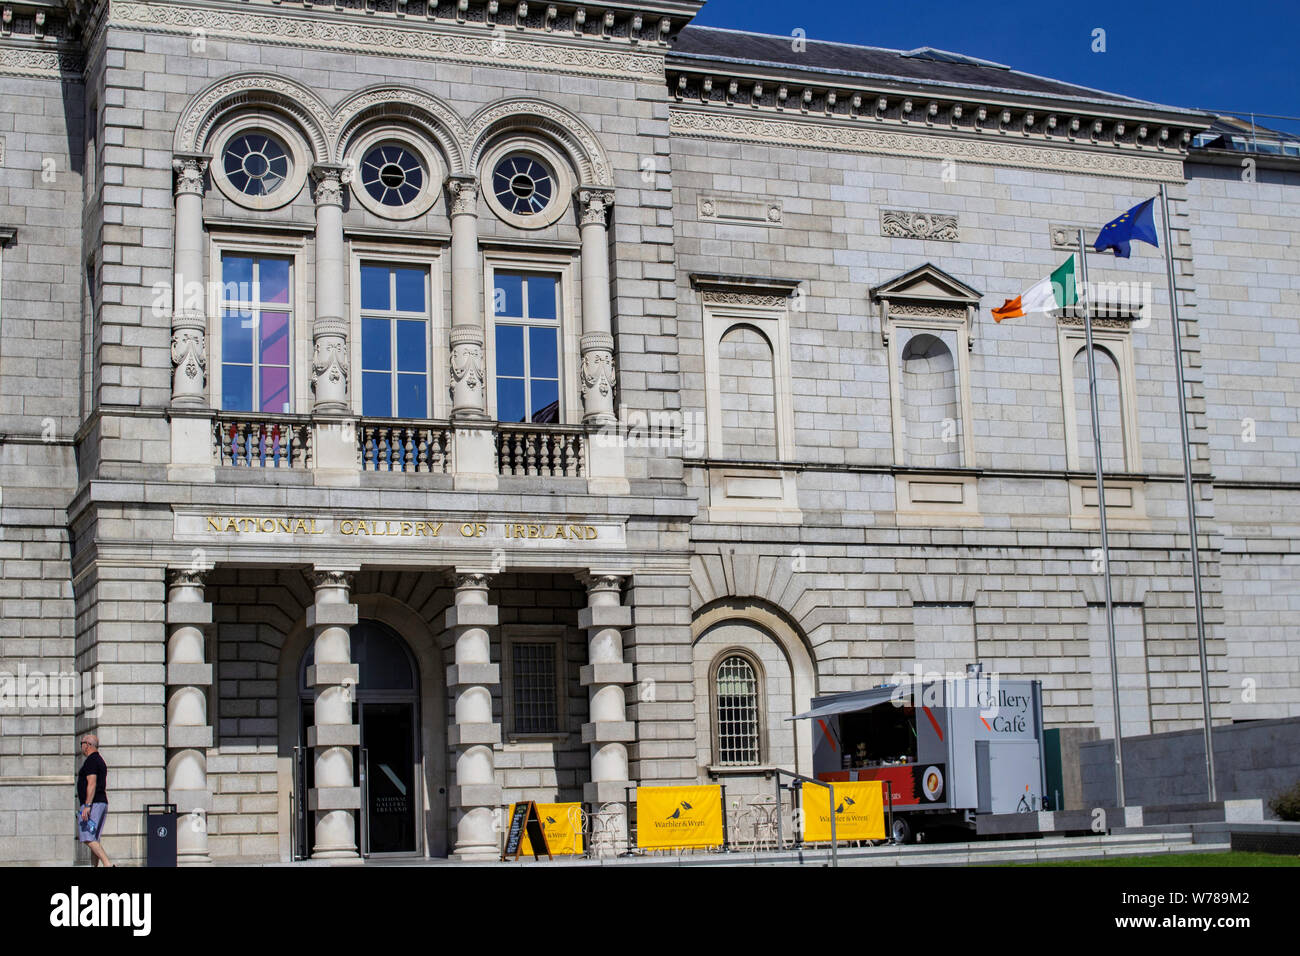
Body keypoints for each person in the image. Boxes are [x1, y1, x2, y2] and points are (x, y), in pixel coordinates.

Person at [76, 734, 113, 867]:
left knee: (87, 837)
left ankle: (107, 864)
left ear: (88, 745)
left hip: (94, 804)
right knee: (94, 838)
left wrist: (87, 805)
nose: (81, 746)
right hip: (100, 802)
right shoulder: (99, 760)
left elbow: (91, 783)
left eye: (82, 743)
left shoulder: (92, 760)